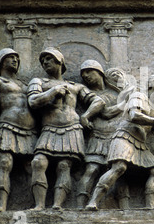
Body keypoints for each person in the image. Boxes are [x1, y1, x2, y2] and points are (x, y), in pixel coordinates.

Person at [85, 74, 154, 210]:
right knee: (119, 167)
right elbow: (134, 115)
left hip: (140, 144)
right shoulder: (138, 96)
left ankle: (150, 208)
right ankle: (93, 202)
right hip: (125, 137)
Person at [27, 47, 102, 210]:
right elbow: (32, 101)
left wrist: (86, 116)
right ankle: (39, 205)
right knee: (38, 162)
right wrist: (52, 92)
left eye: (49, 58)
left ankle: (57, 205)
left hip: (72, 128)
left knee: (64, 166)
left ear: (59, 61)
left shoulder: (74, 86)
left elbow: (98, 101)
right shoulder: (39, 82)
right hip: (49, 128)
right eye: (42, 60)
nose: (45, 62)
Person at [0, 48, 37, 212]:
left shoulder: (25, 84)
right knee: (4, 163)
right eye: (10, 57)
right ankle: (1, 205)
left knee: (33, 166)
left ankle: (39, 205)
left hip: (30, 130)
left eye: (17, 58)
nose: (15, 60)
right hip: (7, 126)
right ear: (1, 61)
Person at [77, 61, 134, 209]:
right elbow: (106, 113)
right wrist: (126, 100)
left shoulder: (115, 93)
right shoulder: (90, 95)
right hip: (98, 136)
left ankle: (125, 209)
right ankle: (79, 205)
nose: (86, 76)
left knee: (120, 173)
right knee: (92, 169)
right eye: (83, 74)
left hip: (117, 137)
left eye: (89, 72)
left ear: (100, 73)